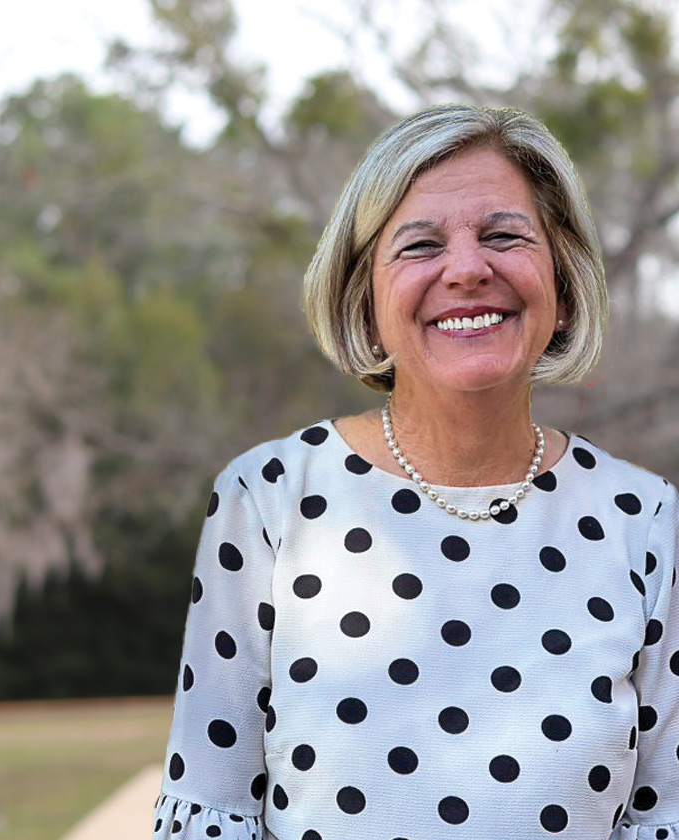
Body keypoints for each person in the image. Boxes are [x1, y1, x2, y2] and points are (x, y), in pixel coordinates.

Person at [150, 104, 679, 840]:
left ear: (560, 285)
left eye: (503, 235)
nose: (467, 269)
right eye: (420, 245)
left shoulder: (648, 523)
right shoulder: (268, 502)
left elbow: (668, 817)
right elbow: (213, 811)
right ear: (366, 306)